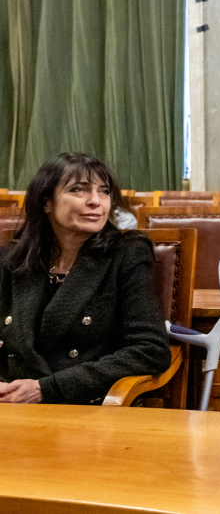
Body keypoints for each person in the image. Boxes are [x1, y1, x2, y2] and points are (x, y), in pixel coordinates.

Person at [0, 153, 170, 405]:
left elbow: (150, 350)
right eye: (78, 190)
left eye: (103, 192)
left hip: (88, 404)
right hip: (13, 402)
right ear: (46, 201)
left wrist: (47, 388)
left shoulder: (126, 253)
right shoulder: (14, 258)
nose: (95, 201)